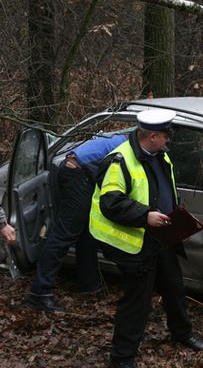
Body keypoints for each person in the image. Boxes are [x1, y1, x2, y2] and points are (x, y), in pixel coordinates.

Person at [89, 110, 203, 368]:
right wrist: (145, 216)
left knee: (175, 287)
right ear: (152, 136)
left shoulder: (160, 155)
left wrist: (178, 217)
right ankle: (122, 357)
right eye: (165, 136)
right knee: (137, 301)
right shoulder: (119, 161)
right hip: (135, 243)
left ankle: (182, 333)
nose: (168, 141)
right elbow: (111, 203)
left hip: (161, 238)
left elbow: (164, 191)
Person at [24, 133, 127, 312]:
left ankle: (89, 283)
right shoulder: (128, 148)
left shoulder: (125, 140)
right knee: (63, 235)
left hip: (81, 174)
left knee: (88, 232)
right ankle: (39, 293)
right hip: (76, 174)